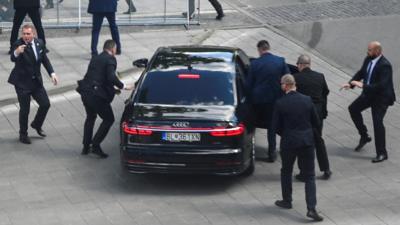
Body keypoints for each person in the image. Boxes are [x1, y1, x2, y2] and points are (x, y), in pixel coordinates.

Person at [273, 74, 323, 222]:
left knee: (286, 171)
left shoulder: (280, 103)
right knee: (310, 176)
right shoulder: (307, 100)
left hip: (289, 142)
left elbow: (276, 126)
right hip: (307, 142)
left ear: (286, 85)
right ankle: (311, 208)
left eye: (282, 84)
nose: (281, 86)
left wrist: (286, 133)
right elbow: (316, 121)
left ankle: (287, 200)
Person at [77, 40, 134, 158]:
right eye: (115, 49)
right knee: (109, 119)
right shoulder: (110, 59)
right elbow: (111, 76)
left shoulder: (96, 58)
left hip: (85, 92)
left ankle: (86, 146)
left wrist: (112, 89)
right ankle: (96, 145)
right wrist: (123, 86)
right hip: (96, 95)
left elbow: (98, 76)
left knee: (90, 117)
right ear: (113, 49)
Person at [341, 41, 396, 163]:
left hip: (381, 98)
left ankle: (382, 153)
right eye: (368, 49)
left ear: (377, 51)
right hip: (369, 94)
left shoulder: (385, 65)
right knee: (353, 109)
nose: (367, 51)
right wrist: (350, 84)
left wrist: (363, 85)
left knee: (377, 122)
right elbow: (361, 72)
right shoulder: (368, 59)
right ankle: (364, 136)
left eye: (370, 50)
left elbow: (381, 86)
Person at [8, 24, 59, 144]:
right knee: (25, 110)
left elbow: (44, 59)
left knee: (45, 104)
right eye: (24, 33)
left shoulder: (39, 43)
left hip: (36, 81)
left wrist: (52, 73)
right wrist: (16, 52)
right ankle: (23, 134)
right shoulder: (18, 44)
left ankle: (36, 124)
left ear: (33, 34)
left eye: (28, 34)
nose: (25, 36)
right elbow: (12, 58)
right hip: (22, 83)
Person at [246, 40, 290, 162]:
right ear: (268, 48)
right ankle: (271, 152)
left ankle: (250, 150)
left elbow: (248, 84)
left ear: (259, 50)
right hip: (275, 99)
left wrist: (249, 97)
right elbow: (288, 78)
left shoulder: (255, 64)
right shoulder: (280, 61)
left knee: (253, 123)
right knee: (272, 125)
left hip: (258, 100)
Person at [293, 55, 332, 180]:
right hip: (318, 114)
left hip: (303, 114)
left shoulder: (296, 78)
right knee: (318, 141)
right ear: (309, 64)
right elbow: (325, 94)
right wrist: (324, 111)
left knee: (302, 143)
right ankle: (326, 168)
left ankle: (304, 172)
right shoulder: (320, 76)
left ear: (300, 64)